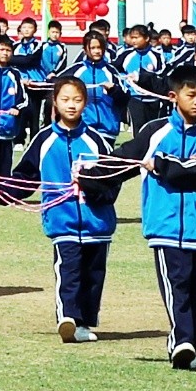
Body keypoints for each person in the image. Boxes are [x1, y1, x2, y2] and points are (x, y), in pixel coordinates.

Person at [137, 65, 196, 371]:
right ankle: (181, 342)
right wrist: (88, 177)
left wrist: (161, 163)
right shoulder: (155, 131)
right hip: (165, 226)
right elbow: (124, 157)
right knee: (177, 285)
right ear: (173, 96)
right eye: (191, 95)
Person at [33, 74, 124, 344]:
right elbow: (24, 176)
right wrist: (2, 194)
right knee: (68, 270)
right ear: (55, 102)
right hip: (63, 220)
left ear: (85, 102)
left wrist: (100, 195)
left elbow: (114, 176)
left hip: (97, 222)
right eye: (65, 99)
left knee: (93, 276)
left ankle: (85, 322)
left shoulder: (97, 140)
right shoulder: (44, 139)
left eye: (77, 100)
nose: (71, 105)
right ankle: (67, 318)